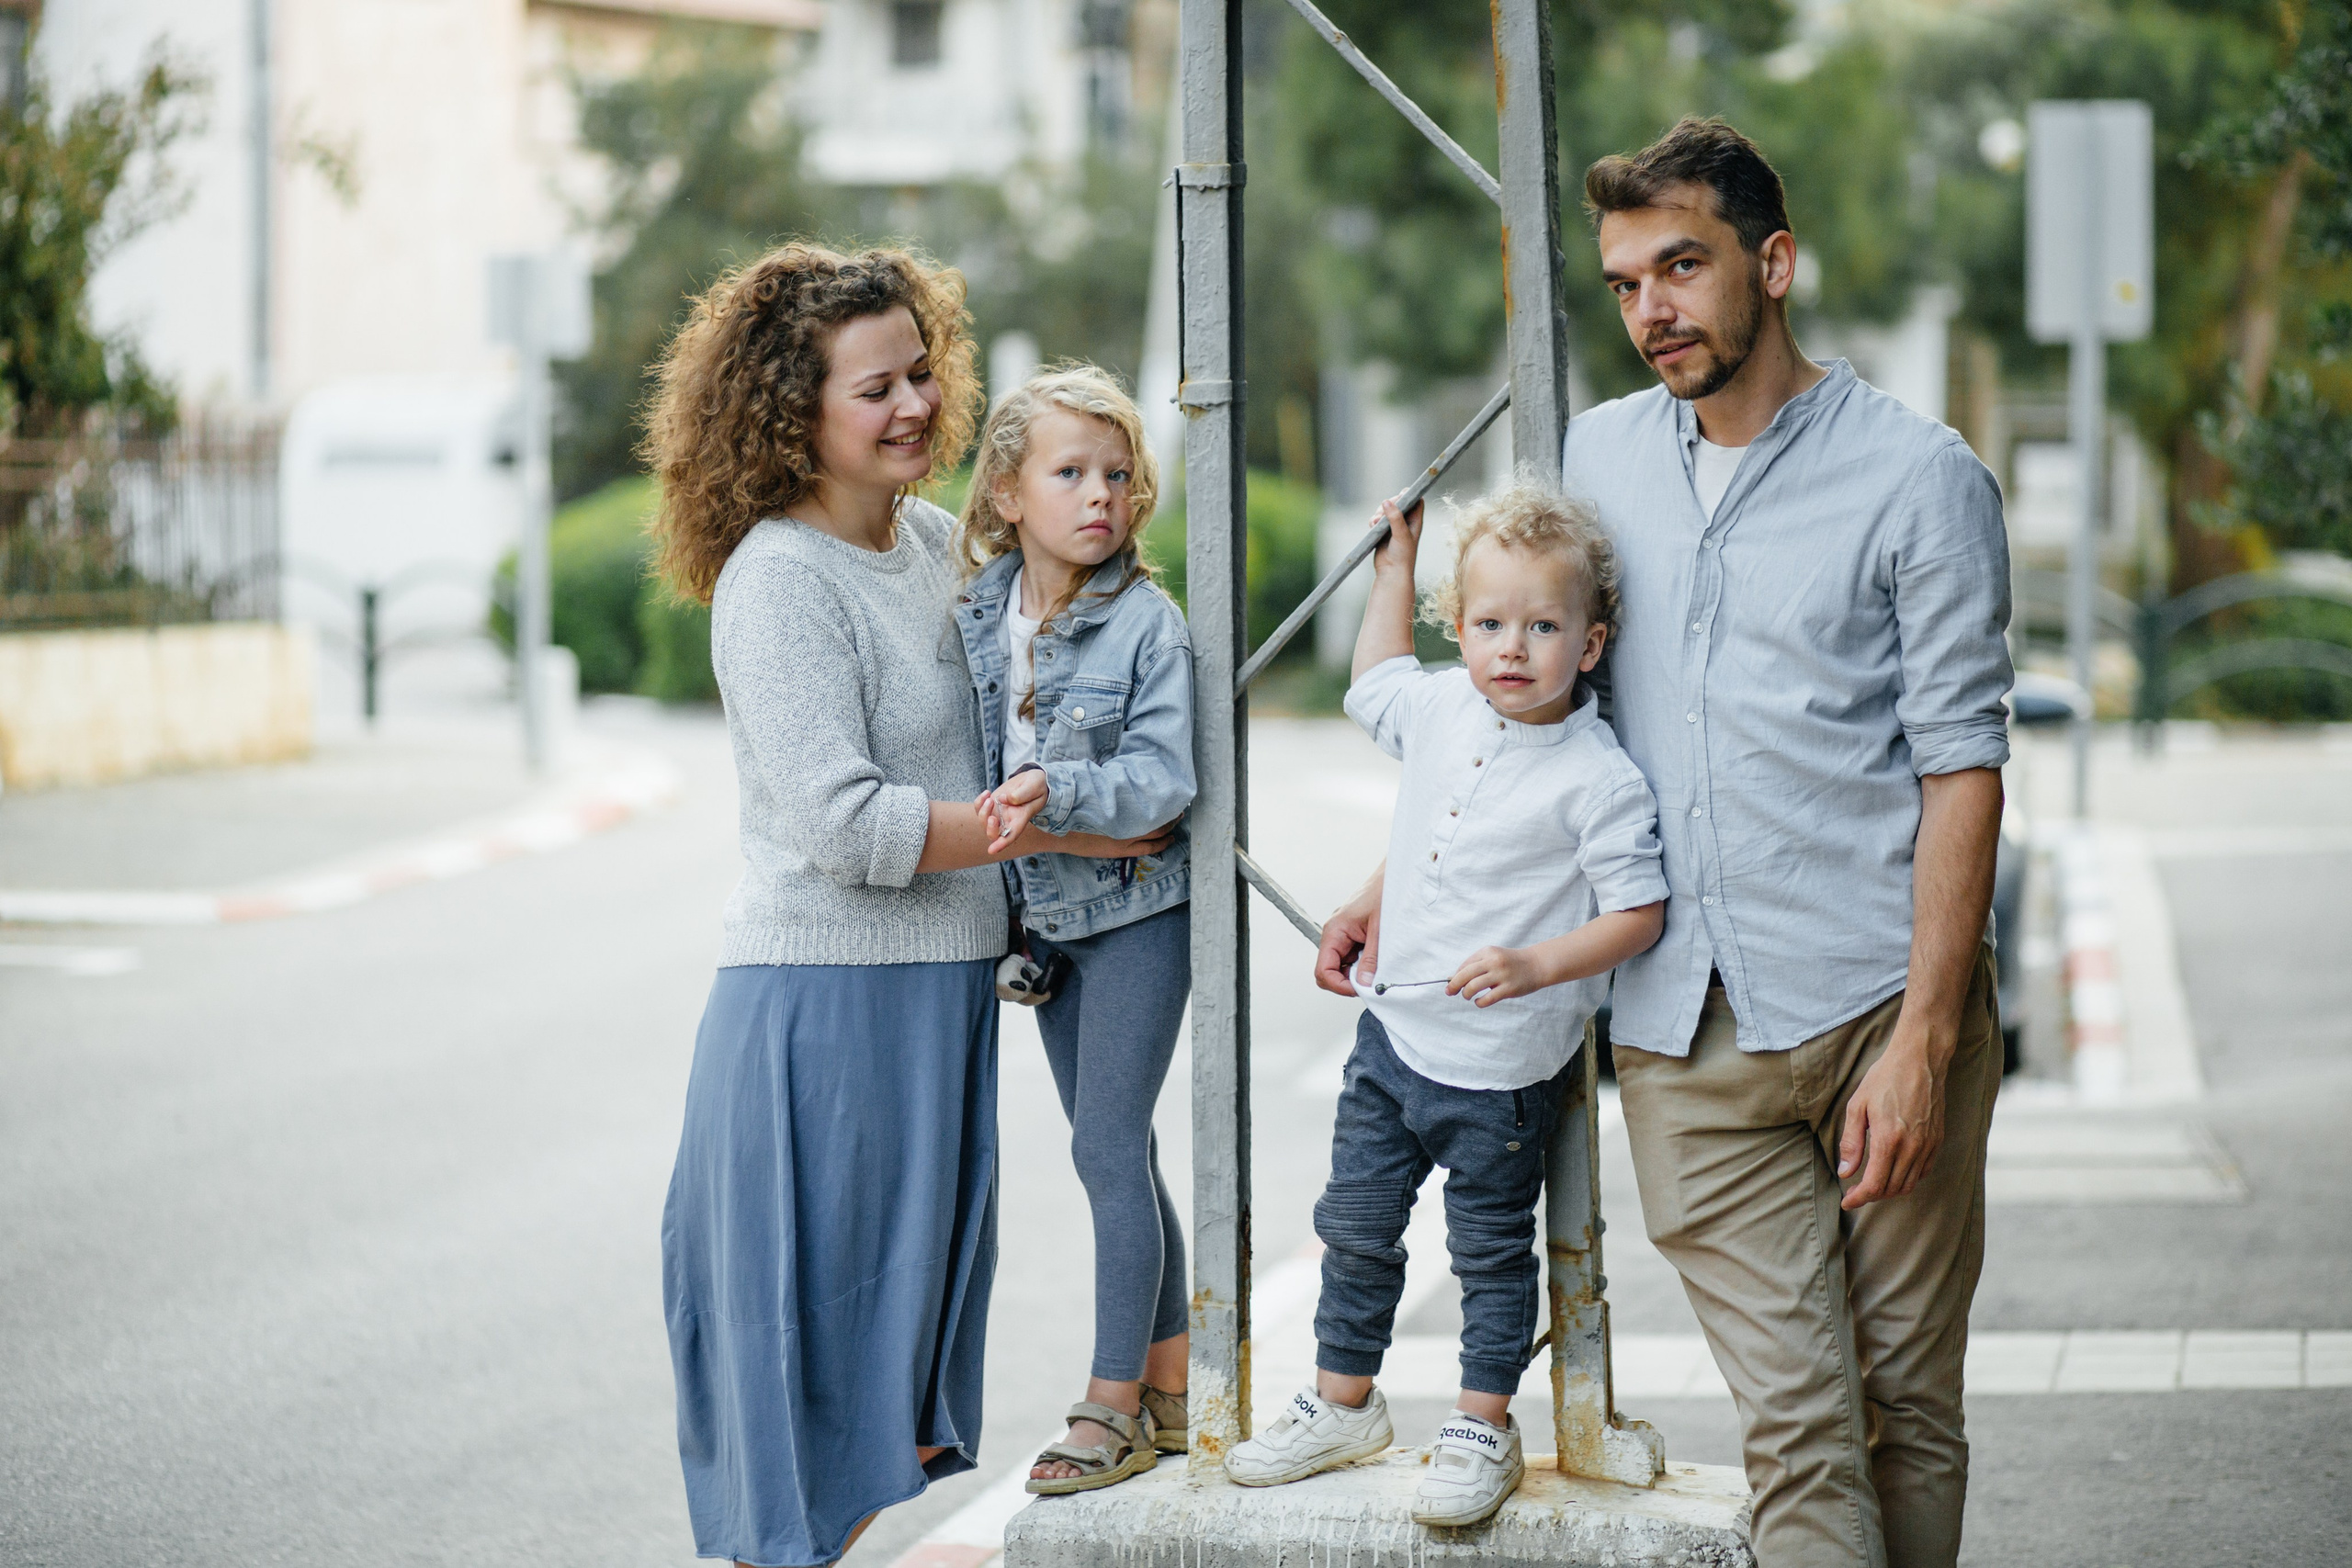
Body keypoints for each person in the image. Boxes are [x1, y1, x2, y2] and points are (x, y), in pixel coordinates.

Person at [1314, 118, 2012, 1568]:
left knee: (1908, 1407)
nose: (1651, 313)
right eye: (1627, 283)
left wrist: (1928, 1041)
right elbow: (1543, 714)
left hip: (1881, 997)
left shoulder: (1920, 477)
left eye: (1682, 268)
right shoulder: (1597, 456)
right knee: (1807, 1423)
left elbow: (1962, 767)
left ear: (1773, 262)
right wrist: (1405, 880)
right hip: (1684, 1044)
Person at [647, 243, 1171, 1568]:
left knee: (881, 1389)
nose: (915, 406)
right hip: (824, 1019)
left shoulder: (936, 542)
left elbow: (1070, 656)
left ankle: (1164, 1387)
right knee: (815, 1384)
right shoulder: (778, 576)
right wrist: (1049, 821)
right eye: (874, 387)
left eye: (922, 372)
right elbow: (844, 819)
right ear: (793, 411)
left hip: (935, 1007)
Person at [1228, 482, 1668, 1528]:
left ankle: (1482, 1425)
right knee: (1358, 1224)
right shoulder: (1440, 706)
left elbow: (1640, 913)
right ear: (1457, 628)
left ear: (1592, 643)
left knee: (1485, 1251)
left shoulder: (1597, 778)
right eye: (1486, 625)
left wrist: (1537, 965)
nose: (1510, 649)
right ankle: (1344, 1401)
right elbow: (1376, 679)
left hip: (1503, 1068)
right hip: (1392, 1039)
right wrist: (1391, 569)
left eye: (1542, 626)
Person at [944, 365, 1198, 1495]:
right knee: (1124, 1152)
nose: (1098, 495)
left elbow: (1161, 786)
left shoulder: (1148, 624)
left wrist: (1057, 793)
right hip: (1043, 926)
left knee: (1103, 1150)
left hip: (1140, 916)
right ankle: (1180, 1388)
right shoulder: (972, 615)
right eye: (1068, 472)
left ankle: (1110, 1406)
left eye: (1115, 474)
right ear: (1006, 490)